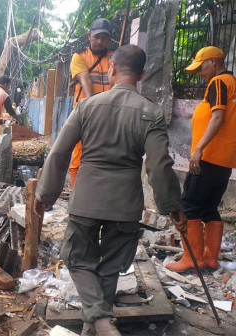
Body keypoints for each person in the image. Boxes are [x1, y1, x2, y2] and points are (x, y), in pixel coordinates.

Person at [34, 45, 187, 336]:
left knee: (78, 260)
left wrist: (45, 195)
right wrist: (173, 208)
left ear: (111, 68)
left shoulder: (88, 106)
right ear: (141, 75)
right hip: (125, 205)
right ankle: (96, 327)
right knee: (109, 268)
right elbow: (159, 167)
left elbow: (59, 154)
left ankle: (100, 322)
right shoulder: (151, 113)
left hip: (86, 201)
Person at [166, 46, 236, 273]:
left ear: (214, 62)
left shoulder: (219, 82)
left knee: (191, 205)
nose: (199, 74)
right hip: (223, 161)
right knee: (209, 208)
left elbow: (217, 118)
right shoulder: (231, 83)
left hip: (209, 158)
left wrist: (198, 150)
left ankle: (192, 260)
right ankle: (210, 259)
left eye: (201, 67)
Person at [69, 18, 114, 187]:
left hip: (109, 117)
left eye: (104, 37)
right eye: (96, 37)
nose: (100, 41)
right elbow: (85, 81)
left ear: (109, 39)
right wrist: (94, 110)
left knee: (105, 158)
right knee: (78, 158)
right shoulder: (79, 58)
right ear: (89, 36)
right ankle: (76, 196)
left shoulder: (114, 58)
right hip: (85, 116)